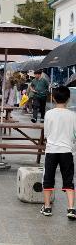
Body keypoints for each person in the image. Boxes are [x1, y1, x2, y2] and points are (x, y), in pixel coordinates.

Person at [40, 86, 76, 220]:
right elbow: (75, 135)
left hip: (52, 150)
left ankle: (47, 207)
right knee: (69, 179)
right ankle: (71, 208)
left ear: (53, 98)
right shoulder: (73, 115)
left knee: (48, 178)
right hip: (67, 151)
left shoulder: (49, 114)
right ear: (68, 99)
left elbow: (47, 133)